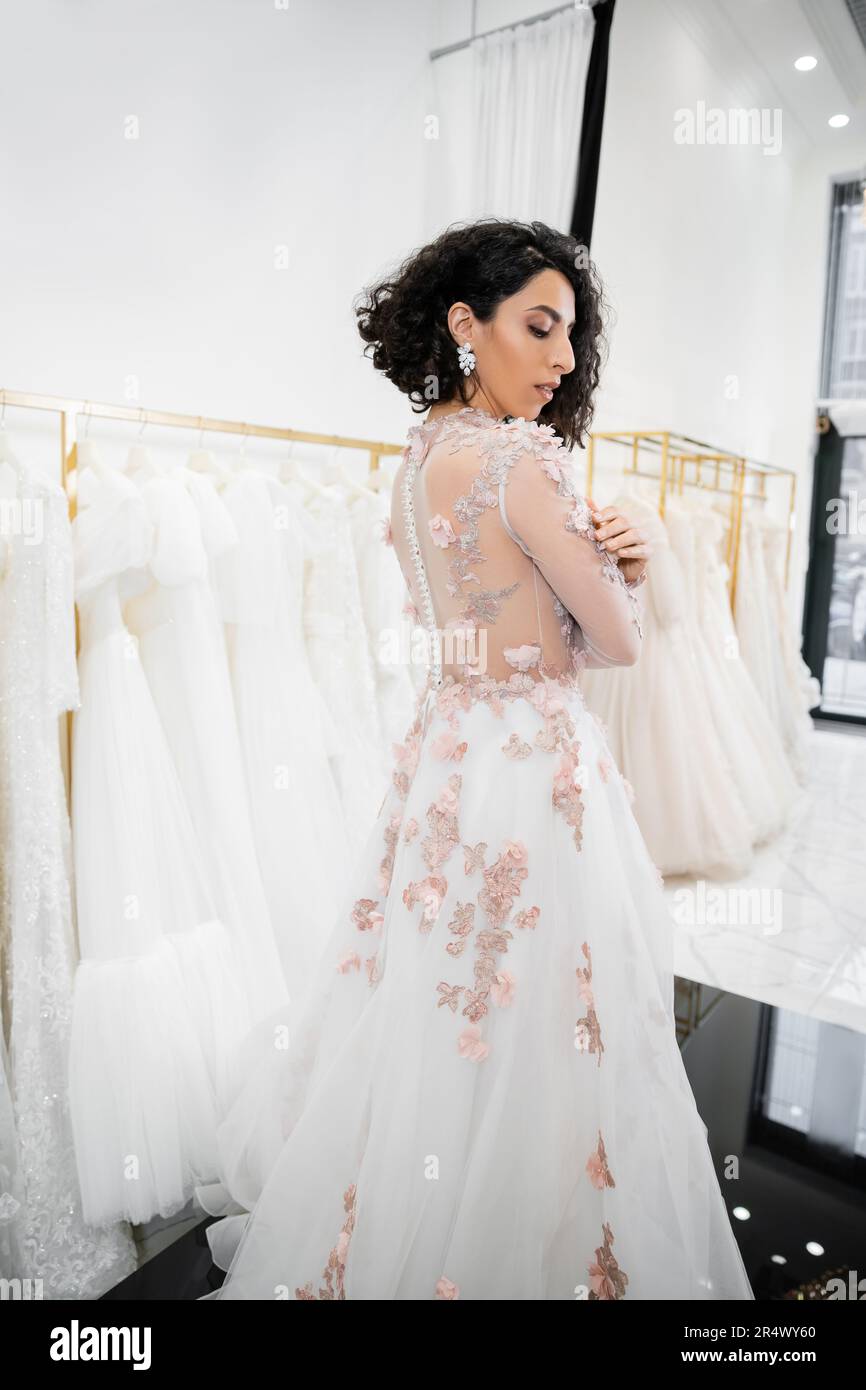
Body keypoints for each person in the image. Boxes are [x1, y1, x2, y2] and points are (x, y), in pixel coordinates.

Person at [197, 217, 755, 1300]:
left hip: (447, 750)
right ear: (466, 324)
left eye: (570, 337)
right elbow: (615, 643)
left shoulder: (416, 461)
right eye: (539, 328)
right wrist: (631, 556)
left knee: (433, 991)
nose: (560, 359)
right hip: (533, 759)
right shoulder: (517, 461)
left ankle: (411, 1216)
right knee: (543, 1002)